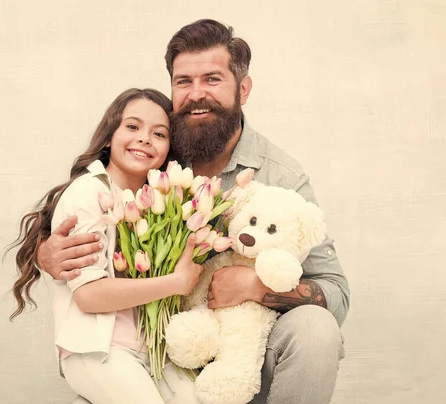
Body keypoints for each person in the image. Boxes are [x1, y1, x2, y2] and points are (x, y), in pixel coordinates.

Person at [38, 20, 350, 404]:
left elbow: (336, 293)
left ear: (244, 89)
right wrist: (47, 252)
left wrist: (257, 286)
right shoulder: (156, 149)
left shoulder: (281, 175)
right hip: (154, 348)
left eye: (213, 79)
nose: (196, 93)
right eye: (183, 81)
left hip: (243, 352)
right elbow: (90, 208)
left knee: (316, 328)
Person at [10, 88, 203, 404]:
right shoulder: (89, 193)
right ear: (109, 135)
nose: (144, 139)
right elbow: (89, 296)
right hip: (98, 348)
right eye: (132, 127)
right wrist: (176, 283)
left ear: (169, 148)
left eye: (159, 133)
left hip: (154, 350)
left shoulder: (166, 203)